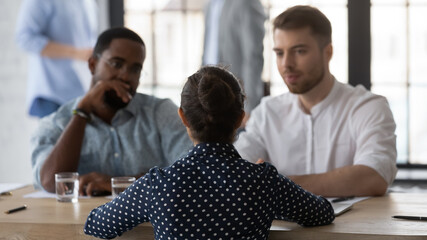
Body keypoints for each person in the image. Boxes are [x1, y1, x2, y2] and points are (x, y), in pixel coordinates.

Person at [83, 66, 335, 239]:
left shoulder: (157, 186)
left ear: (183, 117)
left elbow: (96, 225)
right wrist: (272, 204)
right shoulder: (264, 182)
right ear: (240, 119)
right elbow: (322, 213)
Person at [235, 5, 397, 197]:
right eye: (279, 53)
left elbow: (373, 176)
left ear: (328, 52)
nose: (286, 64)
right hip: (281, 228)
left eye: (300, 51)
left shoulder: (368, 107)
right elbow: (235, 172)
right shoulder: (266, 113)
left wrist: (274, 183)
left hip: (353, 227)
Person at [30, 27, 192, 196]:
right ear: (92, 65)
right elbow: (49, 182)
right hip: (80, 222)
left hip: (149, 223)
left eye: (135, 69)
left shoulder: (160, 112)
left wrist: (119, 184)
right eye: (116, 64)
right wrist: (82, 113)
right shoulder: (55, 124)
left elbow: (192, 171)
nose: (125, 76)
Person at [15, 0, 98, 118]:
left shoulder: (88, 3)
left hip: (81, 90)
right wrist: (75, 53)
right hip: (52, 93)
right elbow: (25, 38)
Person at [202, 0, 266, 124]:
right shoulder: (210, 4)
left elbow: (253, 56)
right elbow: (207, 49)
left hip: (235, 96)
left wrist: (249, 107)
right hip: (209, 92)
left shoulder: (247, 3)